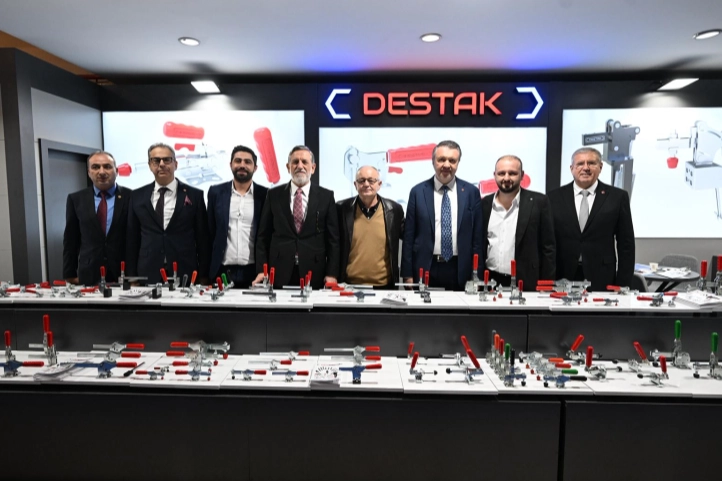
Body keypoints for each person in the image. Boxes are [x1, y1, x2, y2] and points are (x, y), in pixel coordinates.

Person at [547, 147, 635, 291]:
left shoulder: (617, 197)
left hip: (602, 276)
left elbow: (626, 245)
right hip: (562, 275)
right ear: (572, 168)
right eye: (580, 164)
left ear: (600, 167)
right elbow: (547, 242)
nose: (586, 168)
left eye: (591, 163)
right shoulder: (553, 198)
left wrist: (623, 284)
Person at [401, 140, 483, 291]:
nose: (446, 165)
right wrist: (407, 274)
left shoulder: (471, 192)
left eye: (452, 160)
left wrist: (477, 275)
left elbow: (477, 239)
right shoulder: (418, 192)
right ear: (433, 161)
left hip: (460, 268)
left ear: (458, 163)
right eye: (441, 159)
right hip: (426, 267)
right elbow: (408, 238)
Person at [253, 145, 340, 289]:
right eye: (295, 162)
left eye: (304, 162)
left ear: (313, 167)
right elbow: (263, 237)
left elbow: (333, 240)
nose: (300, 166)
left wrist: (332, 273)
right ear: (288, 167)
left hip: (315, 271)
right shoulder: (273, 195)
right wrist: (262, 270)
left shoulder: (326, 196)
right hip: (279, 271)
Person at [126, 143, 210, 285]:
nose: (161, 164)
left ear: (175, 164)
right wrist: (132, 277)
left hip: (185, 271)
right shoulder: (137, 196)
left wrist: (204, 275)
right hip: (148, 270)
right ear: (150, 165)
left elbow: (202, 239)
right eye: (156, 160)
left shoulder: (195, 195)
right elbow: (132, 239)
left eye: (167, 160)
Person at [482, 155, 555, 291]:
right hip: (490, 280)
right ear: (494, 175)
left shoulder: (539, 202)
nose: (506, 178)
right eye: (501, 173)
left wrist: (546, 285)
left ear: (522, 175)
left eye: (512, 173)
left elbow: (548, 248)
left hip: (526, 281)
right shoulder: (484, 204)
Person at [63, 151, 131, 285]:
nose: (101, 171)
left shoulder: (131, 197)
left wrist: (136, 275)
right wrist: (69, 273)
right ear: (89, 172)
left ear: (116, 171)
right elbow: (71, 239)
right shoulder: (76, 199)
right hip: (89, 273)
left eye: (107, 166)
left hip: (124, 272)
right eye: (95, 167)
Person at [207, 145, 268, 288]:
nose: (242, 165)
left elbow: (267, 235)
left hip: (254, 272)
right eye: (238, 161)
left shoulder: (265, 195)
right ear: (231, 165)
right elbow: (209, 232)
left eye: (247, 162)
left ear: (255, 168)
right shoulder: (216, 193)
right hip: (222, 271)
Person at [337, 165, 404, 288]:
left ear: (379, 184)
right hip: (349, 285)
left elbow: (410, 240)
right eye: (361, 181)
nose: (366, 184)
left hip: (384, 286)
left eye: (371, 180)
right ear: (355, 185)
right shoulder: (341, 209)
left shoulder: (394, 210)